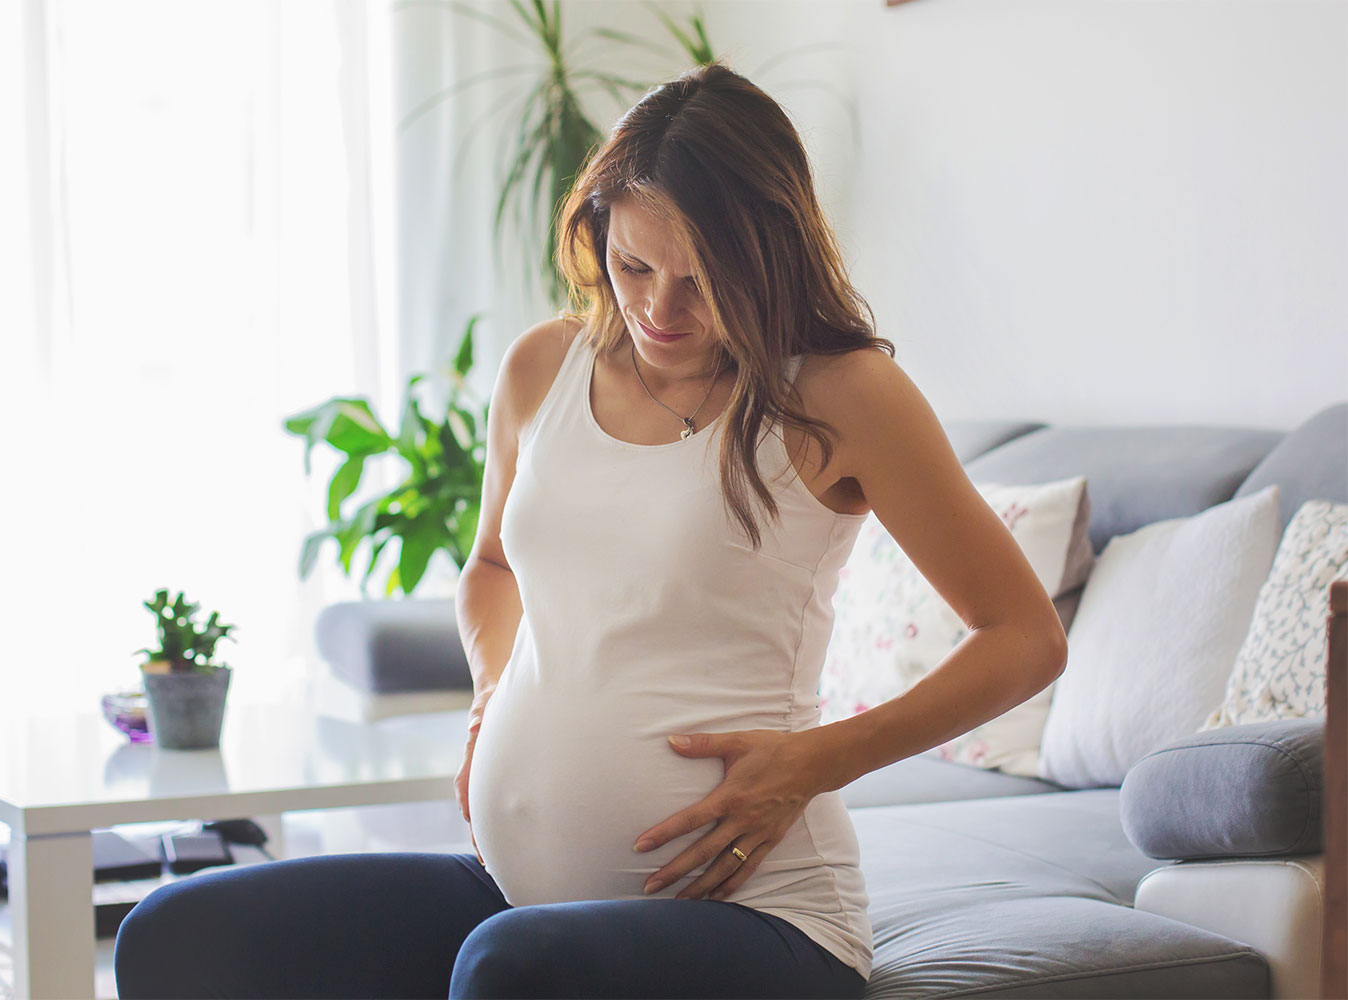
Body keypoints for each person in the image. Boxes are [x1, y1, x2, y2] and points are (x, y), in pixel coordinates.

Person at [113, 61, 1066, 1000]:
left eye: (701, 280)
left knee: (507, 968)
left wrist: (819, 760)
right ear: (597, 229)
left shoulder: (840, 395)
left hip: (762, 917)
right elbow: (492, 567)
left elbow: (1024, 637)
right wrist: (492, 692)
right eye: (635, 265)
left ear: (767, 258)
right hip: (519, 899)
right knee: (177, 937)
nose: (659, 308)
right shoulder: (544, 368)